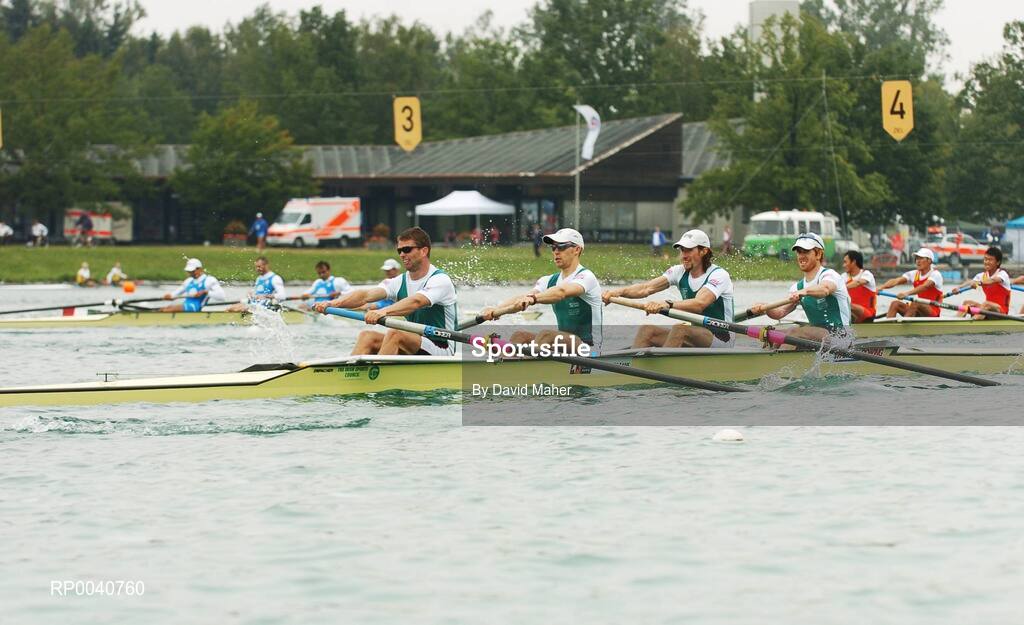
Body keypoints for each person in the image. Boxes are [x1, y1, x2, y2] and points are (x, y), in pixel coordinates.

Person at [314, 227, 459, 356]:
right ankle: (349, 377)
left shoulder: (440, 280)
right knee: (367, 336)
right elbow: (365, 296)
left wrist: (383, 312)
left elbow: (416, 302)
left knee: (395, 333)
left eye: (407, 249)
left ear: (424, 251)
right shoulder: (398, 281)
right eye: (399, 250)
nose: (402, 254)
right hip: (413, 342)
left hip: (441, 346)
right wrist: (333, 303)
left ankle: (376, 378)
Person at [603, 229, 734, 348]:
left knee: (680, 329)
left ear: (704, 251)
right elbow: (645, 288)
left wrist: (667, 304)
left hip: (721, 339)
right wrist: (616, 292)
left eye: (689, 250)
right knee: (647, 331)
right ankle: (631, 369)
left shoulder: (718, 275)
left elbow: (700, 303)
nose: (683, 255)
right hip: (695, 336)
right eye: (682, 250)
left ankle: (662, 369)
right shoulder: (678, 272)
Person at [480, 228, 602, 354]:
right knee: (520, 336)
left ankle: (530, 366)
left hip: (589, 349)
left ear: (577, 249)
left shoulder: (586, 277)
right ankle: (509, 365)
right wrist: (496, 310)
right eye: (553, 248)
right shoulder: (548, 280)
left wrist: (533, 299)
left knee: (546, 335)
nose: (556, 252)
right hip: (564, 345)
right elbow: (521, 298)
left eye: (561, 247)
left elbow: (561, 292)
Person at [748, 232, 850, 344]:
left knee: (793, 333)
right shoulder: (797, 287)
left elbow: (825, 289)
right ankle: (774, 357)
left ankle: (780, 359)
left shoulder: (830, 275)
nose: (801, 256)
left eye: (806, 251)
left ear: (818, 254)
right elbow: (780, 313)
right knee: (775, 335)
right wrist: (765, 307)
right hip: (819, 340)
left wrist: (804, 292)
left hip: (840, 336)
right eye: (798, 252)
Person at [879, 248, 944, 318]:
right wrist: (881, 287)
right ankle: (889, 327)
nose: (918, 261)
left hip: (932, 312)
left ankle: (904, 325)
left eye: (921, 258)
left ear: (929, 261)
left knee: (916, 302)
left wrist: (906, 293)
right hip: (918, 309)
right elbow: (896, 281)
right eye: (917, 259)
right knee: (895, 304)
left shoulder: (935, 274)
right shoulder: (913, 274)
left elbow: (924, 286)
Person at [953, 247, 1011, 318]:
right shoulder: (982, 276)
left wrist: (978, 284)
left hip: (1001, 311)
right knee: (967, 303)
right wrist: (958, 288)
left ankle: (973, 323)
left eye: (990, 260)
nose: (987, 262)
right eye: (985, 259)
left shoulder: (1002, 274)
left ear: (998, 262)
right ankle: (955, 322)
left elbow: (992, 280)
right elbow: (970, 282)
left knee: (986, 304)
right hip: (987, 309)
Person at [840, 250, 877, 323]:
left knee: (847, 306)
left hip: (868, 315)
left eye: (845, 262)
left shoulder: (866, 274)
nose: (843, 265)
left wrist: (841, 288)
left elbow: (858, 283)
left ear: (853, 262)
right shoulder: (843, 276)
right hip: (851, 313)